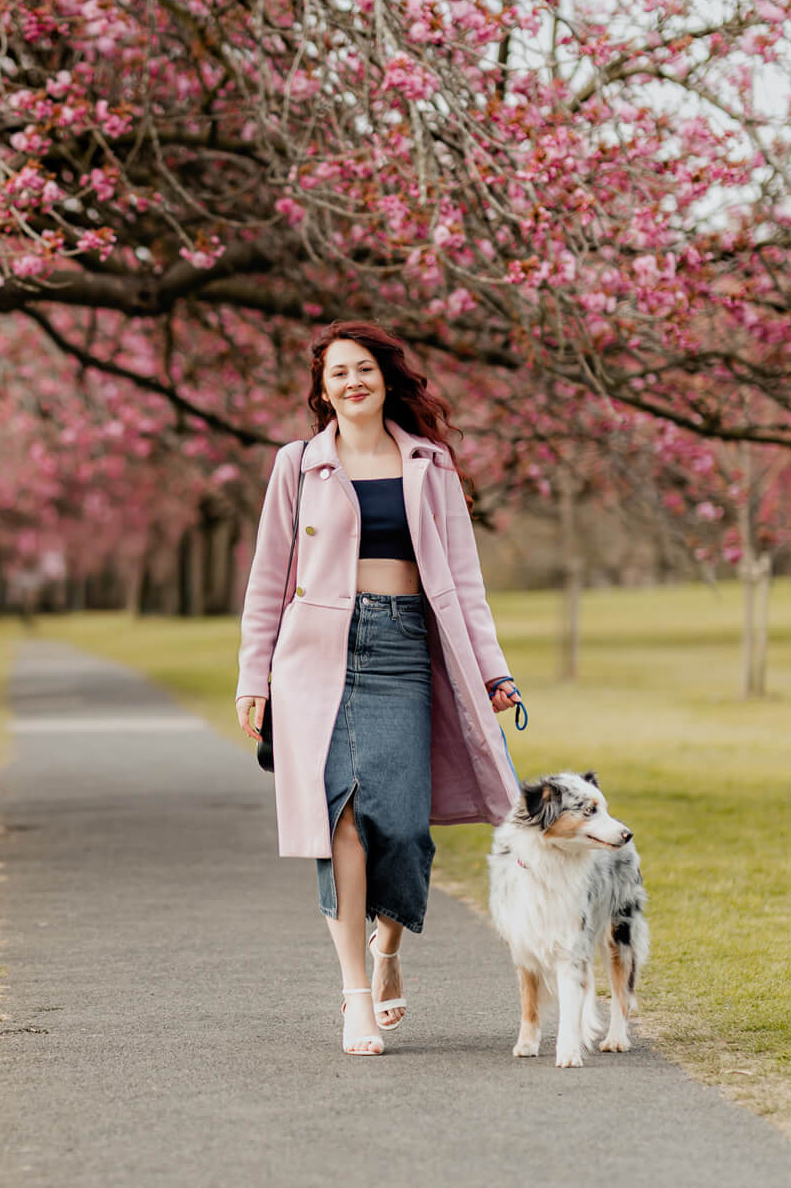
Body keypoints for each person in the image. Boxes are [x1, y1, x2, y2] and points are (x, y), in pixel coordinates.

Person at [235, 320, 524, 1056]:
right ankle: (354, 996)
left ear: (386, 378)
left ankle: (389, 943)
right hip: (313, 656)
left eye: (363, 369)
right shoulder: (297, 466)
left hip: (403, 649)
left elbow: (464, 582)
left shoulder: (431, 463)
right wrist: (253, 676)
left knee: (401, 824)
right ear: (322, 390)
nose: (352, 383)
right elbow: (269, 578)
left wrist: (493, 670)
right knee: (344, 818)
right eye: (338, 374)